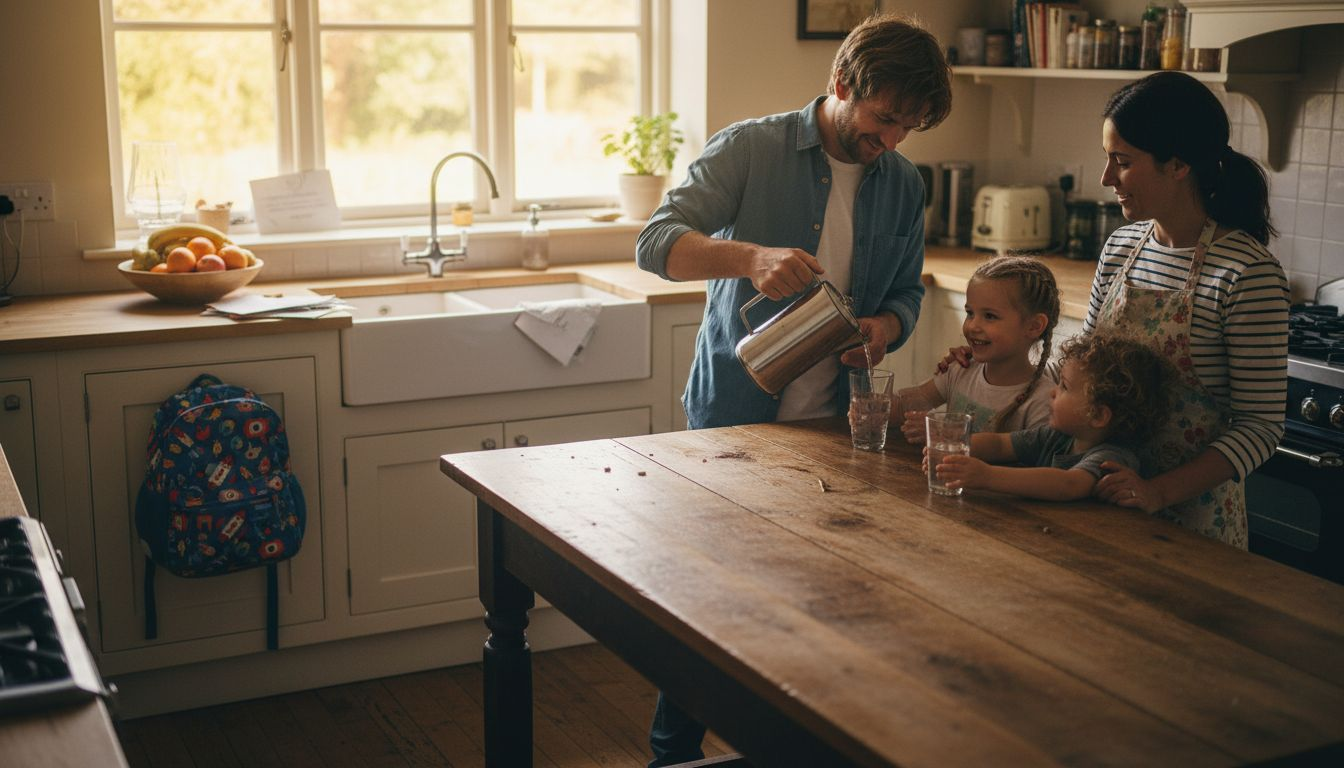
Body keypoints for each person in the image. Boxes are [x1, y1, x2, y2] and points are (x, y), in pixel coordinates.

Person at [634, 12, 952, 766]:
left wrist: (883, 327)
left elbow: (908, 294)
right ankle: (670, 755)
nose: (892, 142)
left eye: (908, 128)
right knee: (709, 603)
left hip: (840, 428)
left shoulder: (903, 183)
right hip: (732, 422)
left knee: (828, 605)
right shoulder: (753, 146)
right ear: (841, 83)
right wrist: (749, 258)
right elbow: (655, 244)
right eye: (883, 119)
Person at [1085, 71, 1288, 548]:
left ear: (1178, 165)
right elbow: (1084, 374)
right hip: (1102, 494)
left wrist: (1156, 491)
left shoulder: (1245, 273)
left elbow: (1261, 428)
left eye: (1122, 161)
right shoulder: (1120, 248)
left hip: (1194, 525)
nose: (1106, 178)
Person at [930, 333, 1171, 500]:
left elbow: (1067, 484)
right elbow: (1001, 443)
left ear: (1097, 415)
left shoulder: (1112, 457)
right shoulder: (1057, 437)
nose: (1053, 391)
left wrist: (986, 476)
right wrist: (954, 447)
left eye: (1064, 387)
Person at [890, 255, 1060, 444]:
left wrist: (945, 434)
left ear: (1034, 326)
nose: (973, 326)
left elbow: (1030, 468)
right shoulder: (960, 370)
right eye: (970, 313)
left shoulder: (1043, 401)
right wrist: (871, 404)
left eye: (990, 316)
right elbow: (903, 407)